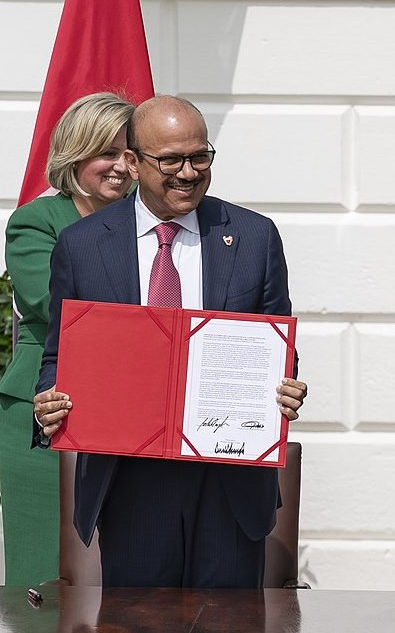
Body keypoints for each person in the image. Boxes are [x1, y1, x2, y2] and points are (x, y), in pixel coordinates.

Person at [31, 95, 308, 588]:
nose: (188, 172)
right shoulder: (82, 245)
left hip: (229, 480)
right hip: (130, 482)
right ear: (133, 163)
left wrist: (286, 386)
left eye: (200, 157)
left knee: (230, 624)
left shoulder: (253, 236)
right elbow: (59, 355)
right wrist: (49, 401)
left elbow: (277, 349)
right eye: (171, 161)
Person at [1, 92, 135, 586]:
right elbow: (51, 305)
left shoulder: (155, 229)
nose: (120, 166)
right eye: (106, 152)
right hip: (46, 412)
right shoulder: (37, 221)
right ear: (74, 155)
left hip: (133, 413)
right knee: (43, 573)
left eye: (130, 153)